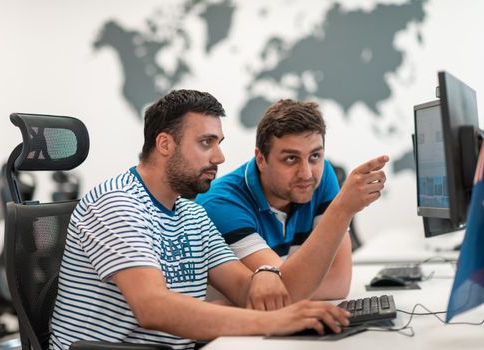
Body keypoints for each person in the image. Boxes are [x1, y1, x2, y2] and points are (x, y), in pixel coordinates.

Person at [49, 90, 352, 350]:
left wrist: (265, 275)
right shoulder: (117, 203)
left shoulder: (192, 214)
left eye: (218, 142)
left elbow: (247, 291)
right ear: (165, 144)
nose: (220, 157)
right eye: (206, 142)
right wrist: (274, 319)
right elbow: (153, 308)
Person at [196, 99, 389, 302]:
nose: (306, 174)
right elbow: (285, 291)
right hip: (230, 332)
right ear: (261, 160)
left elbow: (339, 283)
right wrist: (342, 209)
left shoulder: (321, 177)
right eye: (291, 159)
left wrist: (298, 284)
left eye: (315, 156)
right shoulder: (220, 203)